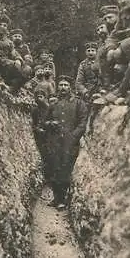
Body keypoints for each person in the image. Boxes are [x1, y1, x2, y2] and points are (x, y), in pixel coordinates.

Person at [45, 75, 88, 209]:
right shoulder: (54, 104)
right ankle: (56, 198)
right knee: (54, 168)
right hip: (55, 141)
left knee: (66, 168)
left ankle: (63, 199)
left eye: (66, 85)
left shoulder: (78, 103)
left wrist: (73, 136)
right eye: (61, 85)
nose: (63, 88)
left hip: (70, 143)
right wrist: (51, 123)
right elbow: (45, 121)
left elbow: (83, 122)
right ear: (58, 87)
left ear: (70, 87)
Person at [0, 12, 26, 90]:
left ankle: (10, 88)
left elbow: (14, 52)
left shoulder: (8, 41)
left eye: (5, 25)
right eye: (0, 24)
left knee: (23, 74)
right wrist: (11, 62)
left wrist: (18, 59)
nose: (2, 27)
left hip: (5, 64)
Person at [31, 87, 50, 177]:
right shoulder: (34, 110)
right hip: (39, 136)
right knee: (42, 154)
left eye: (41, 97)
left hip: (49, 135)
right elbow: (33, 124)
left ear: (45, 97)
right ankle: (44, 175)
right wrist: (37, 129)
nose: (39, 99)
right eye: (37, 97)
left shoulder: (49, 109)